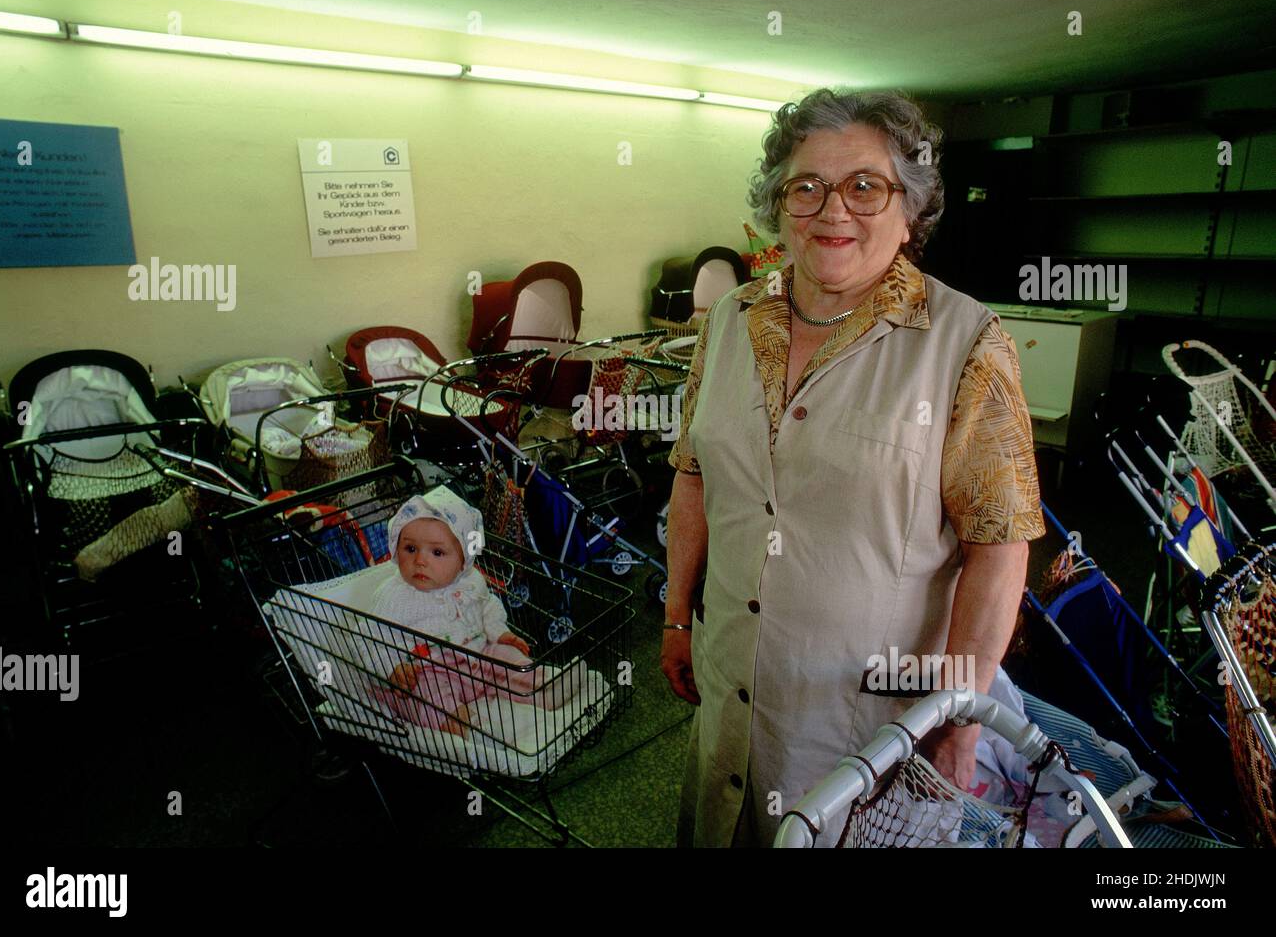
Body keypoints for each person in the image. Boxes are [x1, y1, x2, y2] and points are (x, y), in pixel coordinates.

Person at [660, 88, 1044, 847]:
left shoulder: (967, 343)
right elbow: (694, 476)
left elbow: (999, 548)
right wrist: (677, 616)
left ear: (912, 211)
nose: (834, 210)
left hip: (867, 722)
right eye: (806, 187)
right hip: (731, 683)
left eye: (867, 186)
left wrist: (958, 716)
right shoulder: (731, 322)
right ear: (779, 206)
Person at [375, 486, 582, 735]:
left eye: (437, 552)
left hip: (478, 656)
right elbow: (372, 635)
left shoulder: (471, 580)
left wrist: (499, 632)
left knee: (507, 658)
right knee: (426, 692)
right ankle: (455, 722)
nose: (420, 560)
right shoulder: (396, 595)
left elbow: (487, 606)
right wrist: (391, 667)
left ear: (464, 559)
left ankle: (544, 689)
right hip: (431, 669)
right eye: (410, 549)